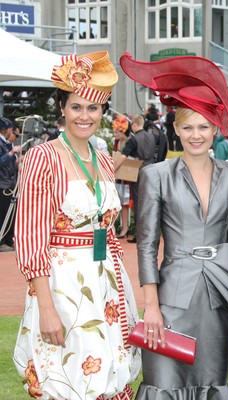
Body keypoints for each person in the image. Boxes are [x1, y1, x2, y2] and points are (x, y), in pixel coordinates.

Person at [13, 51, 141, 399]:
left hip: (106, 280)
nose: (84, 116)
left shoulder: (102, 159)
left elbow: (107, 226)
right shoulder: (44, 157)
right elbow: (30, 236)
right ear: (62, 109)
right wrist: (47, 308)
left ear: (103, 113)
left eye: (92, 108)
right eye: (76, 107)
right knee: (69, 377)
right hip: (61, 284)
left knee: (108, 376)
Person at [119, 52, 228, 399]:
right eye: (188, 126)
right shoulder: (156, 175)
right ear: (175, 129)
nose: (196, 135)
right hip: (170, 302)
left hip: (217, 305)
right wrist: (151, 307)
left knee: (212, 385)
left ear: (215, 128)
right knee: (164, 385)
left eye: (204, 126)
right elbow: (146, 244)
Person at [114, 114, 165, 244]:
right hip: (152, 170)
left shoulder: (134, 139)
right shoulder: (152, 136)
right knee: (151, 202)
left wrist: (112, 170)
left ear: (134, 125)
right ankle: (152, 232)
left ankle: (139, 234)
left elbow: (123, 157)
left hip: (139, 172)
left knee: (138, 203)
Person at [0, 117, 21, 252]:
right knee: (3, 213)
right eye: (10, 129)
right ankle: (3, 240)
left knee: (11, 212)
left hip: (10, 183)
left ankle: (8, 238)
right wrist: (11, 153)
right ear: (6, 130)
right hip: (3, 184)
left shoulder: (6, 143)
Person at [112, 114, 132, 239]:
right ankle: (120, 227)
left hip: (128, 176)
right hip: (119, 176)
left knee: (126, 203)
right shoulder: (116, 142)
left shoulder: (130, 141)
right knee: (118, 202)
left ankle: (125, 228)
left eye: (116, 132)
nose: (115, 135)